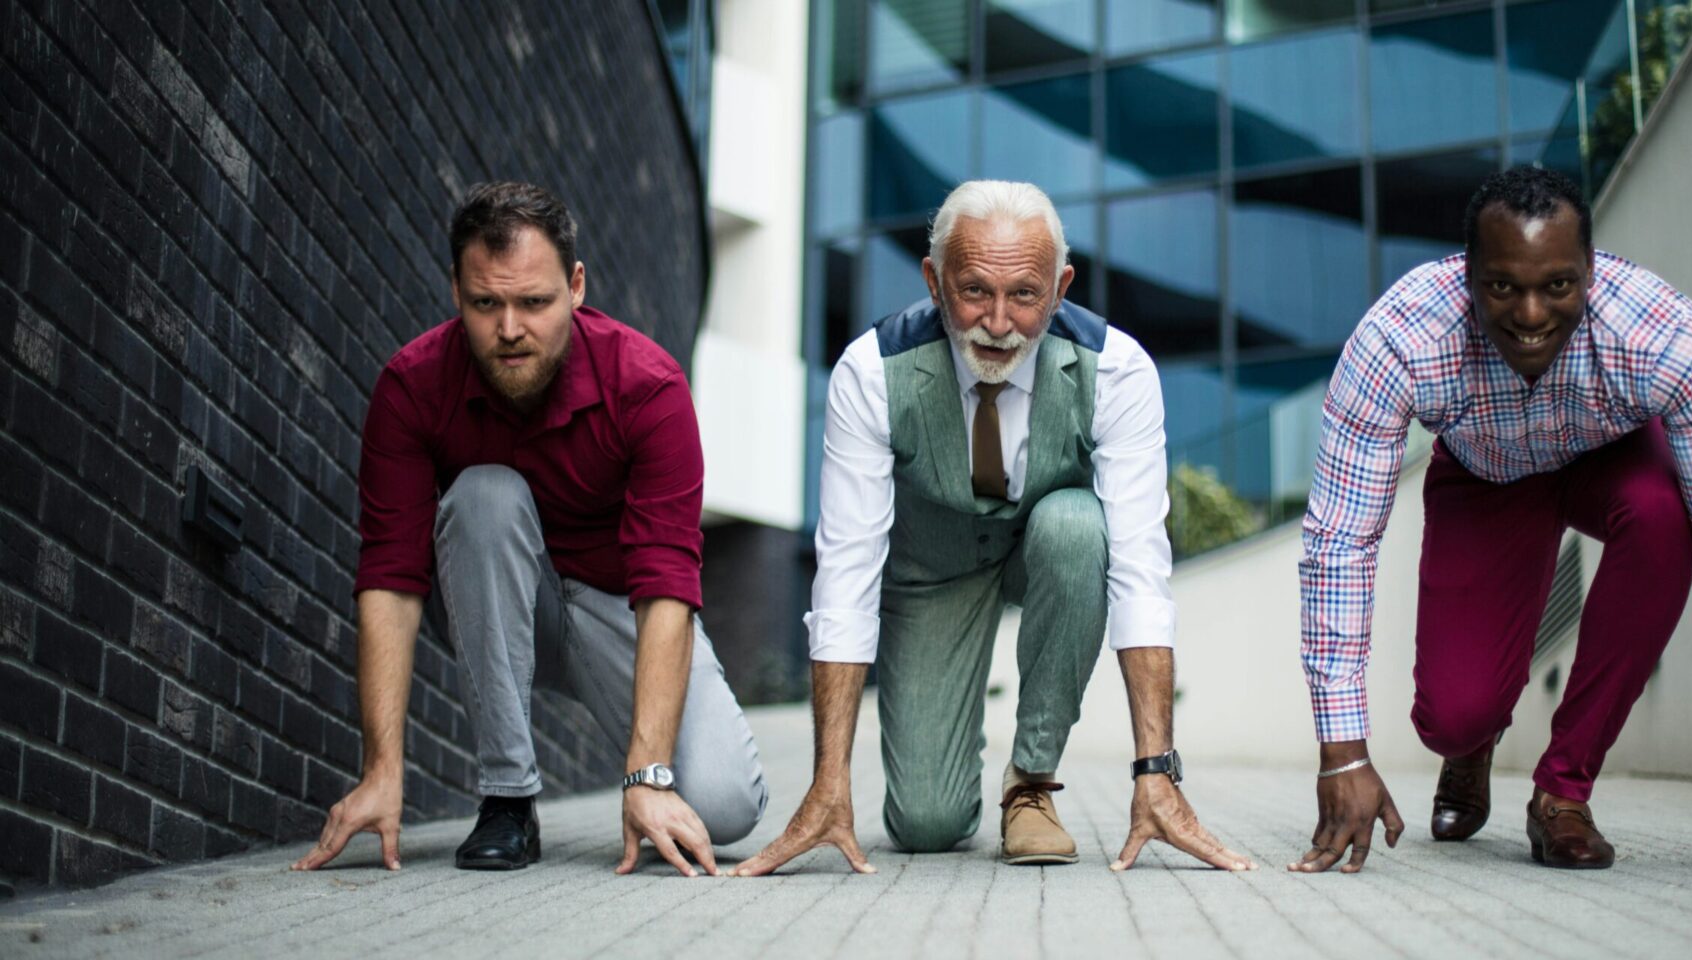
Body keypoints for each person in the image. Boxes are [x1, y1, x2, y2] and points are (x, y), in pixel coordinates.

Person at [1288, 167, 1692, 875]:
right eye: (1502, 287)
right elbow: (1340, 544)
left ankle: (1563, 792)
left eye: (1559, 285)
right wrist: (1343, 754)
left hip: (1613, 459)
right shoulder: (1400, 339)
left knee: (1668, 514)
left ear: (1590, 271)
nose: (1532, 313)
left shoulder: (1668, 338)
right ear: (1467, 276)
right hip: (1486, 477)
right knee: (1451, 717)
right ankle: (1473, 744)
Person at [733, 181, 1251, 876]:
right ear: (934, 281)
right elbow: (847, 572)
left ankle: (1031, 783)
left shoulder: (1117, 369)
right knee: (925, 825)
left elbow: (1140, 571)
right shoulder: (872, 370)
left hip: (1049, 549)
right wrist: (829, 784)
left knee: (1078, 527)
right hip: (931, 572)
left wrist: (1155, 771)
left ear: (1061, 289)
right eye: (975, 290)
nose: (999, 323)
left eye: (1025, 295)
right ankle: (937, 788)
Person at [292, 181, 767, 877]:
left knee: (725, 805)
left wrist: (647, 777)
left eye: (535, 303)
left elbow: (667, 582)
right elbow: (391, 578)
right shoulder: (412, 387)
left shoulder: (648, 386)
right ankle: (508, 800)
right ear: (456, 291)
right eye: (486, 304)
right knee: (485, 494)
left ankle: (655, 789)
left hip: (619, 612)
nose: (510, 329)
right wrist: (381, 770)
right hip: (497, 598)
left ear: (576, 287)